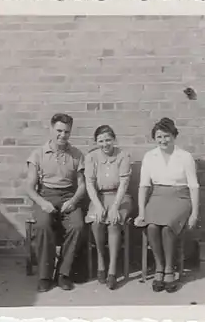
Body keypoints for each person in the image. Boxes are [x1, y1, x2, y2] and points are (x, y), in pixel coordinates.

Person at [134, 118, 199, 293]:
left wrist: (194, 214)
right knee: (153, 226)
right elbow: (143, 186)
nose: (163, 140)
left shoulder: (185, 157)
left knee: (167, 227)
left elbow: (193, 186)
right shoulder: (150, 156)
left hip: (180, 198)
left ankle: (170, 269)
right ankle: (159, 268)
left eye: (166, 136)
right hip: (157, 197)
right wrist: (141, 213)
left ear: (174, 136)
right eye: (159, 137)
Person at [25, 113, 86, 292]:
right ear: (51, 130)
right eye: (59, 130)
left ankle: (63, 274)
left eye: (66, 132)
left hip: (68, 196)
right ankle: (45, 275)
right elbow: (29, 187)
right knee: (43, 225)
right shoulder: (38, 154)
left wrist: (74, 201)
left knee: (78, 226)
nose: (62, 135)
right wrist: (43, 203)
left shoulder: (76, 154)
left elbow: (82, 185)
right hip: (45, 195)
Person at [84, 125, 133, 290]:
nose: (105, 144)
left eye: (108, 140)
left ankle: (112, 269)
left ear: (114, 140)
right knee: (96, 222)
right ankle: (100, 260)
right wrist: (98, 206)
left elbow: (124, 183)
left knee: (113, 222)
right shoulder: (91, 157)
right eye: (101, 141)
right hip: (99, 197)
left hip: (120, 197)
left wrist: (115, 207)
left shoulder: (123, 156)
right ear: (96, 142)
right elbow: (89, 184)